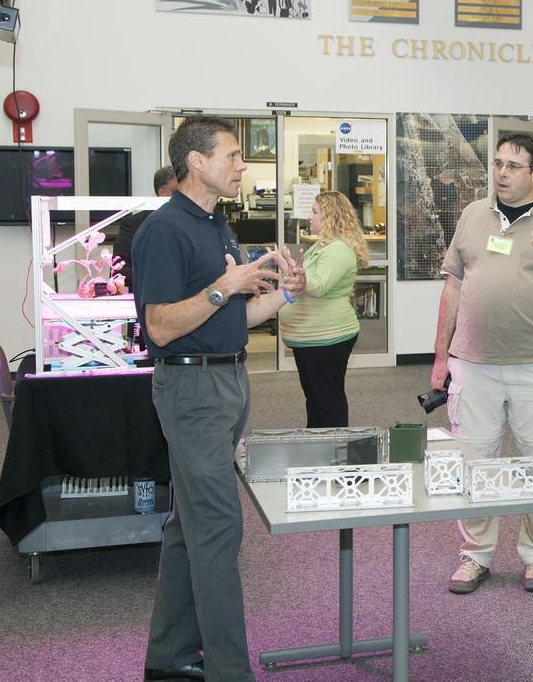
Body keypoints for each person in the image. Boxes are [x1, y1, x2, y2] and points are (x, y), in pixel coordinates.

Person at [133, 116, 300, 681]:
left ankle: (170, 659)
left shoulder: (217, 226)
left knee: (191, 527)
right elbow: (159, 327)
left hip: (228, 380)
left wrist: (285, 297)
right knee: (220, 526)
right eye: (232, 155)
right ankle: (229, 671)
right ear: (196, 162)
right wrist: (224, 286)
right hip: (191, 389)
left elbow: (234, 319)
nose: (241, 165)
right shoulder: (164, 230)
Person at [430, 132, 533, 594]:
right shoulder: (472, 215)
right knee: (473, 462)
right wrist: (441, 356)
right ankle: (475, 555)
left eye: (513, 166)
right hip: (474, 365)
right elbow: (452, 288)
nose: (501, 173)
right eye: (498, 164)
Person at [278, 191, 369, 428]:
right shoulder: (321, 245)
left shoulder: (338, 249)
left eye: (315, 212)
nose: (310, 217)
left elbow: (318, 286)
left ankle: (335, 448)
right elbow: (307, 279)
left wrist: (301, 280)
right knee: (316, 398)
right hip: (311, 338)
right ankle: (317, 444)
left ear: (330, 216)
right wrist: (289, 269)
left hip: (327, 337)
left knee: (327, 400)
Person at [115, 166, 177, 290]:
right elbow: (119, 271)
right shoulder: (134, 224)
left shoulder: (198, 222)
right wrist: (159, 278)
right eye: (180, 191)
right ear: (163, 193)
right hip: (149, 297)